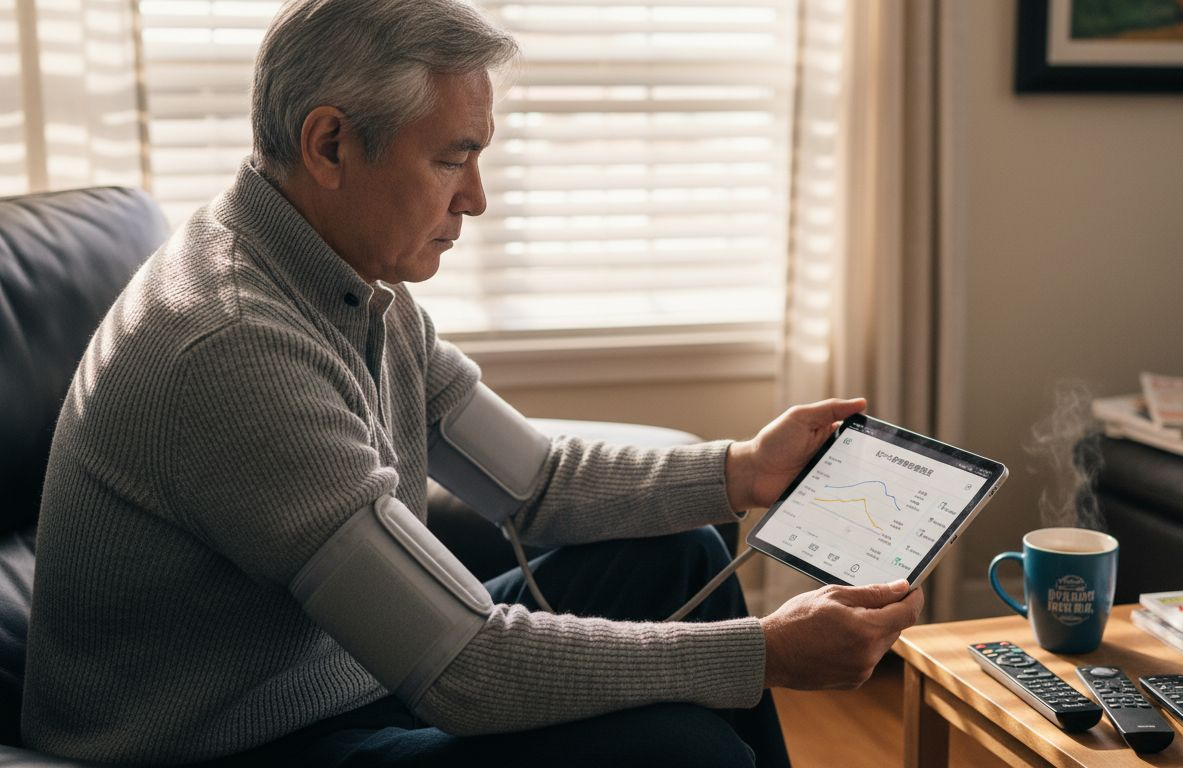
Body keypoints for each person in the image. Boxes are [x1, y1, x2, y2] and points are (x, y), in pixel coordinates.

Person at [21, 1, 924, 765]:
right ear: (331, 143)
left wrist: (746, 470)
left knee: (680, 554)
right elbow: (462, 666)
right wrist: (763, 653)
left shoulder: (343, 279)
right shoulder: (231, 349)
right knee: (678, 748)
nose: (477, 198)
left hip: (346, 671)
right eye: (452, 157)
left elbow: (535, 482)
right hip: (239, 741)